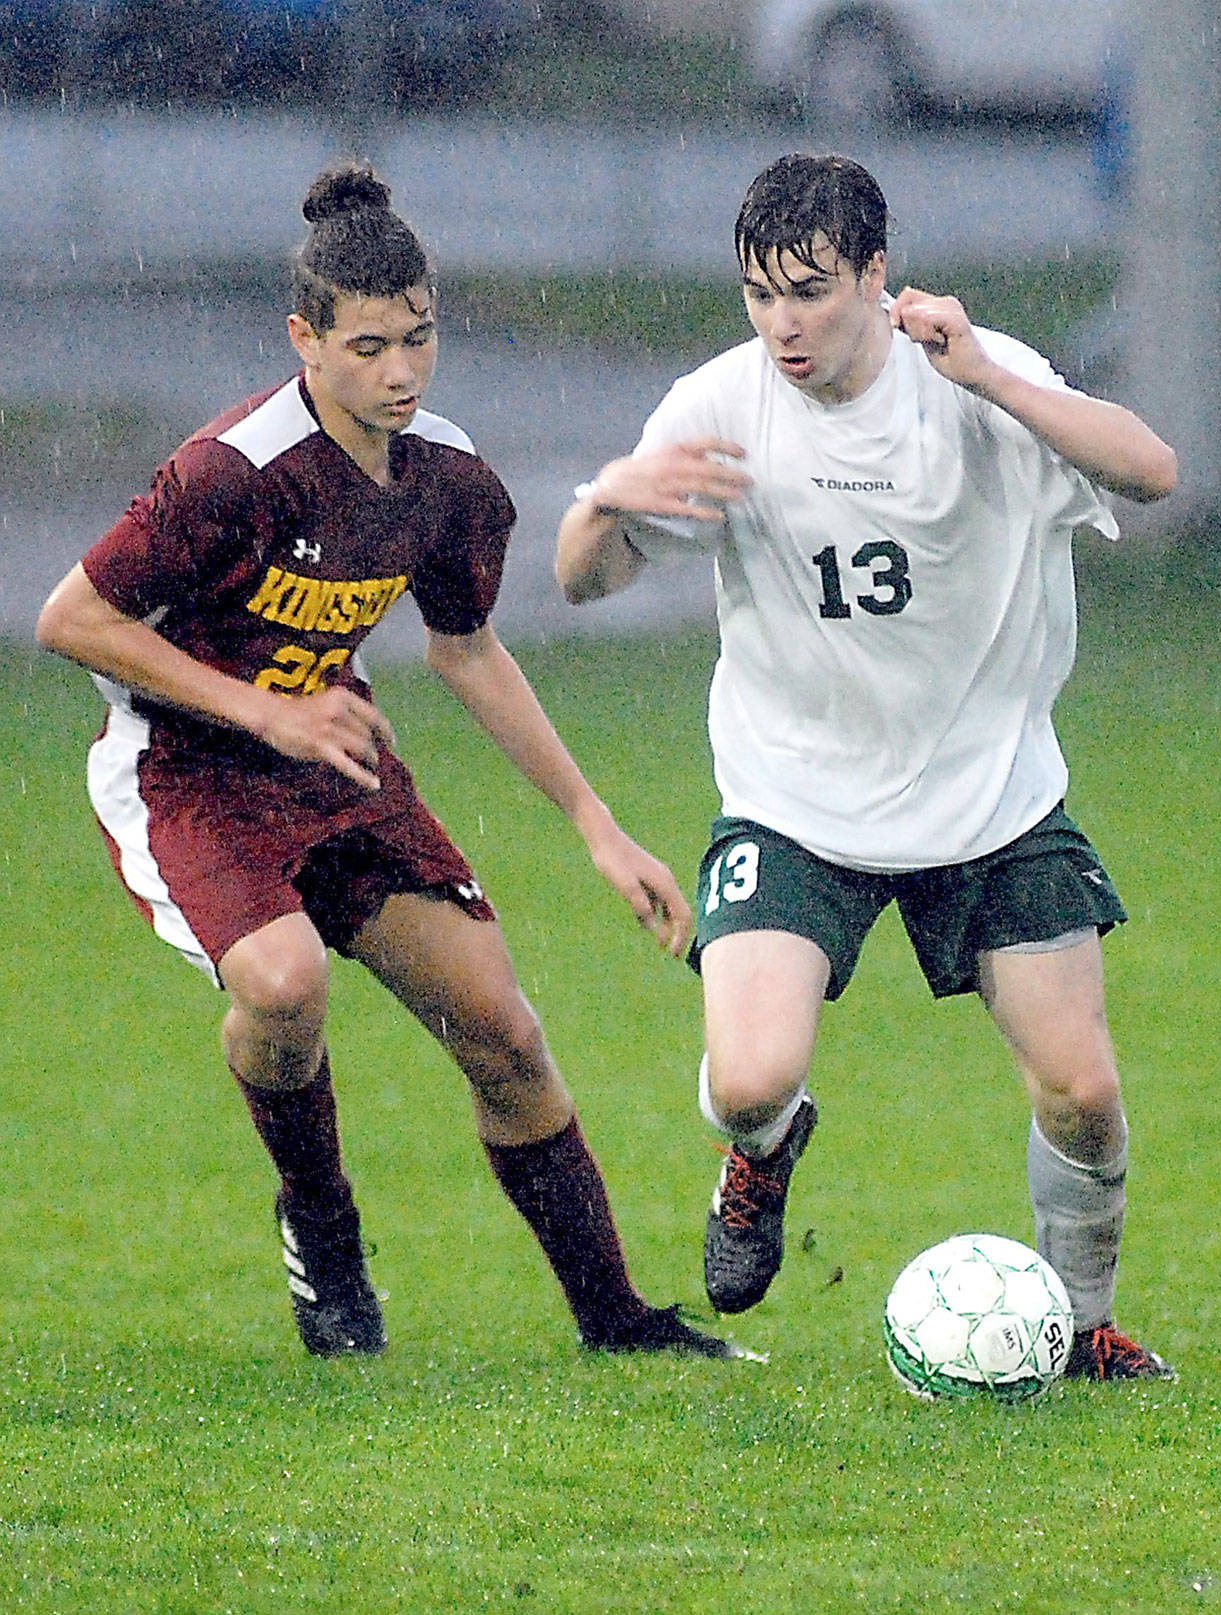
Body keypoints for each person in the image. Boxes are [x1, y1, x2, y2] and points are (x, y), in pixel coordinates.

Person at [36, 162, 746, 1363]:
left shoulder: (448, 479)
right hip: (186, 772)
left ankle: (615, 1323)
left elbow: (466, 652)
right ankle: (320, 1223)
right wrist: (264, 713)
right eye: (367, 347)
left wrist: (594, 821)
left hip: (332, 762)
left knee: (502, 1030)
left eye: (418, 338)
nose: (401, 372)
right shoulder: (232, 472)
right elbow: (71, 620)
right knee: (281, 985)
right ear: (303, 338)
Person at [554, 152, 1179, 1382]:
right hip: (795, 800)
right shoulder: (722, 402)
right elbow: (584, 582)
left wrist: (991, 376)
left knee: (1081, 1093)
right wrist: (605, 504)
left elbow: (1151, 471)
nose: (782, 323)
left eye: (811, 290)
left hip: (990, 795)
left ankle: (1078, 1322)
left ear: (876, 274)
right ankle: (761, 1152)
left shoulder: (969, 379)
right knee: (746, 1077)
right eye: (758, 293)